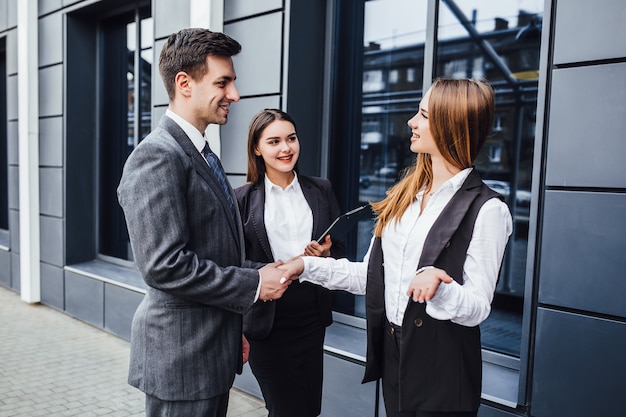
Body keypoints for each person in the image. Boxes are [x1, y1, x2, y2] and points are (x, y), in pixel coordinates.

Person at [279, 78, 513, 417]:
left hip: (443, 366)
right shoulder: (402, 198)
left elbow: (477, 308)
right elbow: (369, 277)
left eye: (423, 115)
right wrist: (304, 267)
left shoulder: (488, 210)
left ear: (451, 126)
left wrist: (439, 286)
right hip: (392, 349)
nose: (411, 122)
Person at [117, 28, 290, 417]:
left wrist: (262, 275)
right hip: (182, 364)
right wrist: (256, 283)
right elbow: (165, 266)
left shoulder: (200, 154)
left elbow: (214, 251)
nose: (234, 95)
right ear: (184, 84)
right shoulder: (157, 157)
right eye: (223, 82)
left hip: (208, 353)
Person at [234, 109, 346, 417]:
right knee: (285, 409)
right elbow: (232, 263)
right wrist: (272, 271)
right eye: (274, 141)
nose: (285, 148)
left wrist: (325, 256)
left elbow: (340, 250)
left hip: (311, 315)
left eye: (291, 139)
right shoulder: (241, 198)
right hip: (266, 322)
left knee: (309, 408)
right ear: (257, 148)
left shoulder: (321, 189)